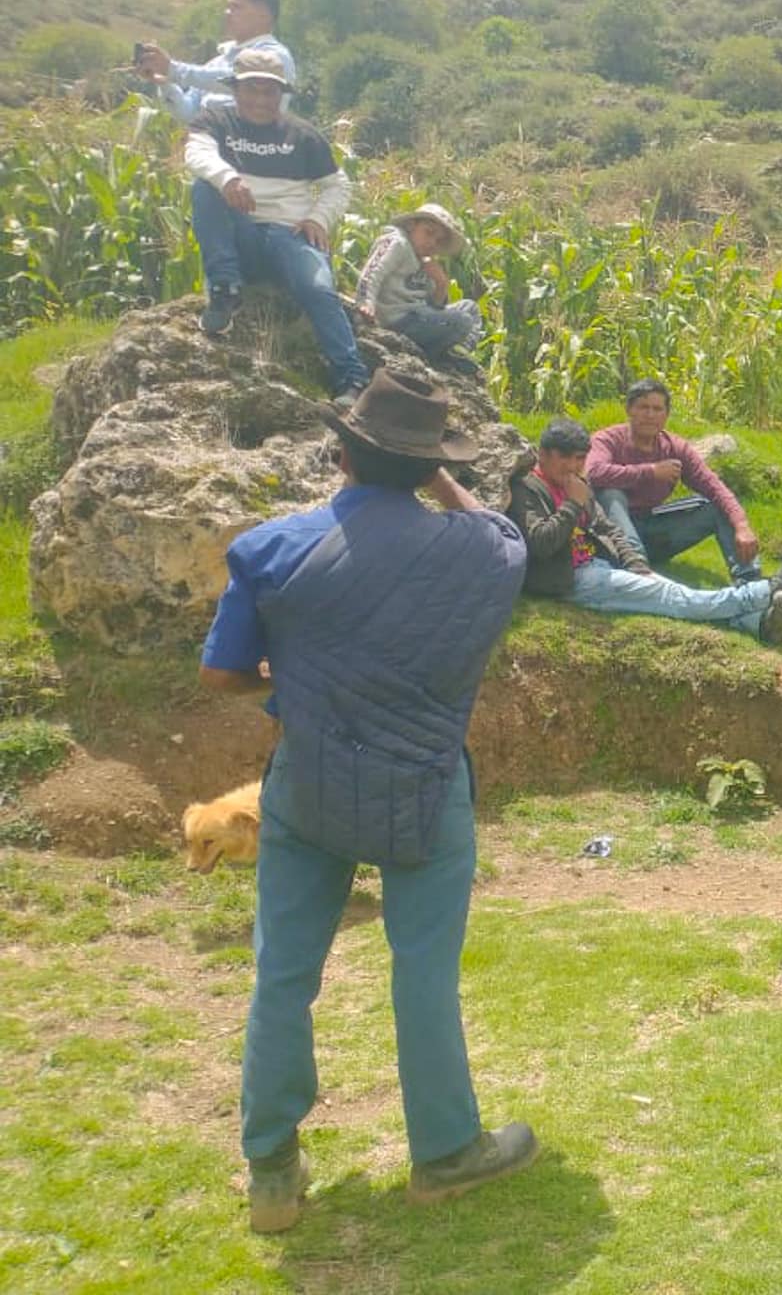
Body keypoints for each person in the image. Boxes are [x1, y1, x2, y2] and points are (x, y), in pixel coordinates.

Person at [198, 370, 537, 1233]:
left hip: (308, 783)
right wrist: (433, 477)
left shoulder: (272, 548)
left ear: (343, 451)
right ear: (428, 468)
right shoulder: (484, 554)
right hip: (425, 788)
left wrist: (288, 677)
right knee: (422, 968)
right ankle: (446, 1152)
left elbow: (222, 673)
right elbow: (497, 528)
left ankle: (272, 1169)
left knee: (282, 973)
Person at [508, 418, 782, 645]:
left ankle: (756, 624)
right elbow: (540, 544)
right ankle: (762, 591)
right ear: (542, 454)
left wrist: (635, 565)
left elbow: (608, 529)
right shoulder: (527, 489)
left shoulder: (577, 486)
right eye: (565, 458)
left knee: (674, 598)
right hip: (572, 579)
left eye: (579, 459)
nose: (572, 466)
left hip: (597, 566)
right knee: (673, 597)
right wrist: (572, 503)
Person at [185, 48, 369, 401]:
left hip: (290, 235)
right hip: (242, 234)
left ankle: (351, 378)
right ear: (235, 90)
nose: (260, 99)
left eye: (269, 91)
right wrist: (227, 178)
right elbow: (196, 154)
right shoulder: (216, 121)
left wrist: (318, 218)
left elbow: (338, 184)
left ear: (280, 94)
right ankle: (225, 291)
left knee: (318, 289)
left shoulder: (302, 135)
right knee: (203, 188)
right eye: (251, 89)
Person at [587, 379, 763, 583]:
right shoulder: (607, 439)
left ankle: (750, 580)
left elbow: (714, 487)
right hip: (608, 537)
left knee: (715, 506)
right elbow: (594, 472)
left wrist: (742, 525)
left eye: (657, 409)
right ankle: (637, 570)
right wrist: (650, 471)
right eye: (643, 407)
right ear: (629, 410)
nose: (650, 415)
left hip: (651, 529)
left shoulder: (675, 448)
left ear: (666, 415)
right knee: (610, 493)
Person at [136, 0, 296, 124]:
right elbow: (189, 114)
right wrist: (165, 83)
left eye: (236, 7)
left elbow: (241, 80)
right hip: (208, 149)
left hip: (253, 152)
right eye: (228, 7)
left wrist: (172, 69)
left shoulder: (276, 57)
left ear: (263, 15)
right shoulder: (217, 63)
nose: (227, 13)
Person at [354, 204, 482, 368]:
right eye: (428, 233)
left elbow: (432, 306)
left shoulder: (426, 262)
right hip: (396, 318)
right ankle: (434, 357)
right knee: (461, 321)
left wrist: (441, 285)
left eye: (438, 241)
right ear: (411, 225)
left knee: (470, 308)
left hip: (418, 316)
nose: (432, 243)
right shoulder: (398, 243)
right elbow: (373, 271)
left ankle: (456, 352)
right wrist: (366, 301)